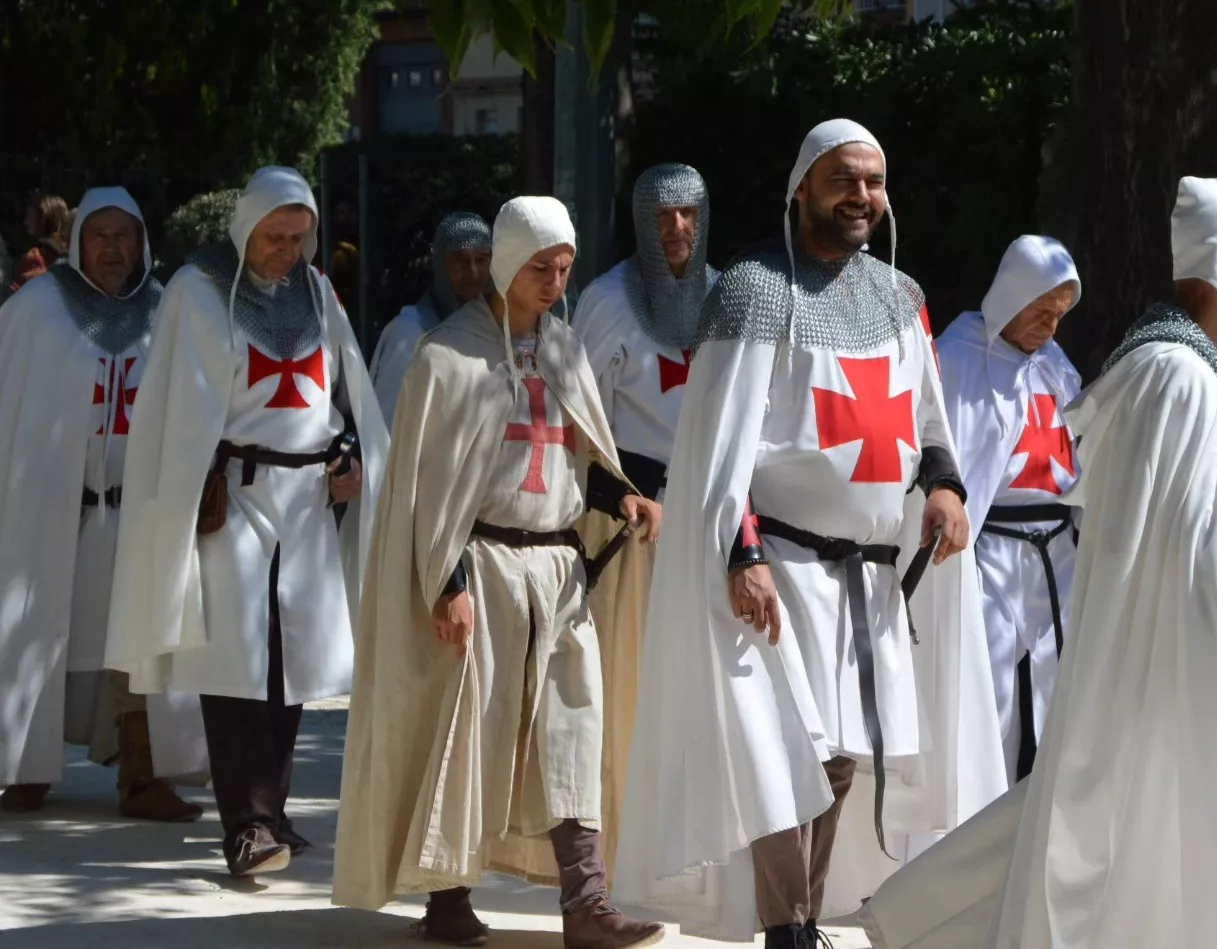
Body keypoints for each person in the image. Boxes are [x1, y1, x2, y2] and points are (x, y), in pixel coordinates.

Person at [860, 176, 1217, 949]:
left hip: (1197, 660)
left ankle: (921, 918)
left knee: (1156, 841)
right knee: (1150, 842)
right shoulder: (1174, 377)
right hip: (1179, 667)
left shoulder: (1197, 366)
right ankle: (924, 919)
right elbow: (1187, 549)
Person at [614, 119, 999, 949]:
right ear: (802, 188)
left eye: (871, 181)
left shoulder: (900, 298)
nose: (860, 196)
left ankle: (802, 920)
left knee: (839, 760)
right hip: (778, 562)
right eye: (841, 180)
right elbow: (722, 445)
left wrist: (942, 485)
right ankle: (785, 927)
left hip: (868, 576)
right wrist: (740, 550)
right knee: (777, 752)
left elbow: (927, 420)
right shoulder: (754, 287)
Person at [333, 195, 665, 949]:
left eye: (565, 267)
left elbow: (577, 453)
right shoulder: (446, 357)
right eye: (541, 267)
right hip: (479, 566)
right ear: (509, 263)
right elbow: (426, 492)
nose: (554, 281)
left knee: (573, 727)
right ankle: (449, 897)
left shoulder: (564, 351)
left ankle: (586, 903)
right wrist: (445, 583)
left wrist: (624, 497)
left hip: (556, 565)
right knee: (471, 733)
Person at [104, 166, 388, 877]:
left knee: (290, 665)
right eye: (274, 237)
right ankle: (248, 825)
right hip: (234, 496)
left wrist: (352, 453)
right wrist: (184, 489)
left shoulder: (317, 292)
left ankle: (274, 813)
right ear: (245, 227)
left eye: (299, 237)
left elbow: (344, 391)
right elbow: (173, 405)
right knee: (235, 663)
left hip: (306, 499)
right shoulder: (198, 292)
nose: (287, 251)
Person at [0, 187, 206, 819]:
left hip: (139, 510)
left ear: (142, 241)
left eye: (125, 237)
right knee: (35, 627)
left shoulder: (167, 311)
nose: (113, 249)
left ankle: (143, 776)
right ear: (77, 239)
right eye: (100, 236)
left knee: (141, 637)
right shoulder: (36, 309)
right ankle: (23, 768)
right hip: (53, 509)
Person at [570, 163, 719, 869]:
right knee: (627, 685)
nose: (679, 228)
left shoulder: (724, 298)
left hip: (711, 520)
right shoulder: (607, 302)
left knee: (702, 685)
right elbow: (581, 425)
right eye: (664, 216)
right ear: (641, 223)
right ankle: (622, 844)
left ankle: (694, 841)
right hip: (630, 521)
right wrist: (619, 499)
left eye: (689, 213)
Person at [935, 235, 1081, 784]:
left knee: (1056, 696)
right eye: (1042, 310)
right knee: (986, 696)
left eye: (1060, 314)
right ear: (1011, 297)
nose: (1051, 326)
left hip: (1056, 556)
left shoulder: (1055, 364)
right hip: (989, 551)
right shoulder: (958, 357)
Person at [369, 212, 493, 425]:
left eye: (481, 260)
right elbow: (385, 431)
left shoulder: (493, 332)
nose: (473, 271)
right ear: (441, 265)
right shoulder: (409, 336)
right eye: (461, 261)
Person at [10, 193, 70, 294]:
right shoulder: (73, 253)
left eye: (30, 216)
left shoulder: (34, 258)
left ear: (43, 217)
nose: (25, 222)